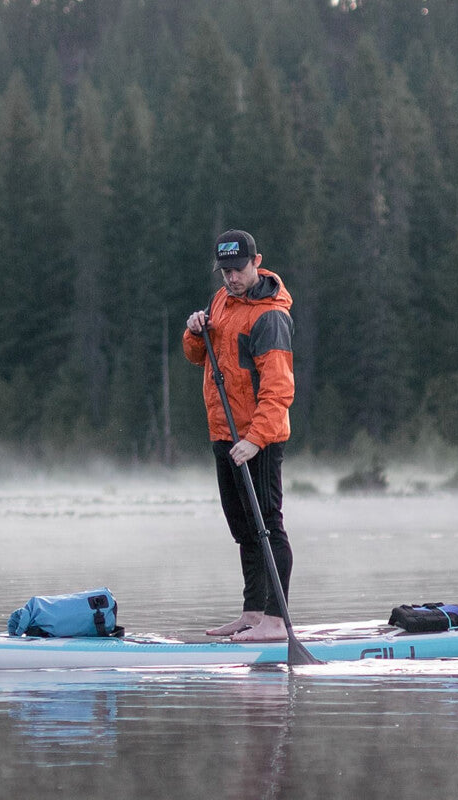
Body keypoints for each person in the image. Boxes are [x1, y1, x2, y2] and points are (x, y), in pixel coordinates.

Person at [183, 230, 296, 643]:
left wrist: (255, 439)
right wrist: (196, 331)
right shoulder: (221, 302)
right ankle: (252, 613)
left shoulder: (271, 316)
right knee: (244, 529)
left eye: (238, 269)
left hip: (257, 439)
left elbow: (279, 389)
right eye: (225, 271)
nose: (231, 278)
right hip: (224, 433)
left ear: (257, 262)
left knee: (268, 526)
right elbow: (198, 357)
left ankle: (276, 621)